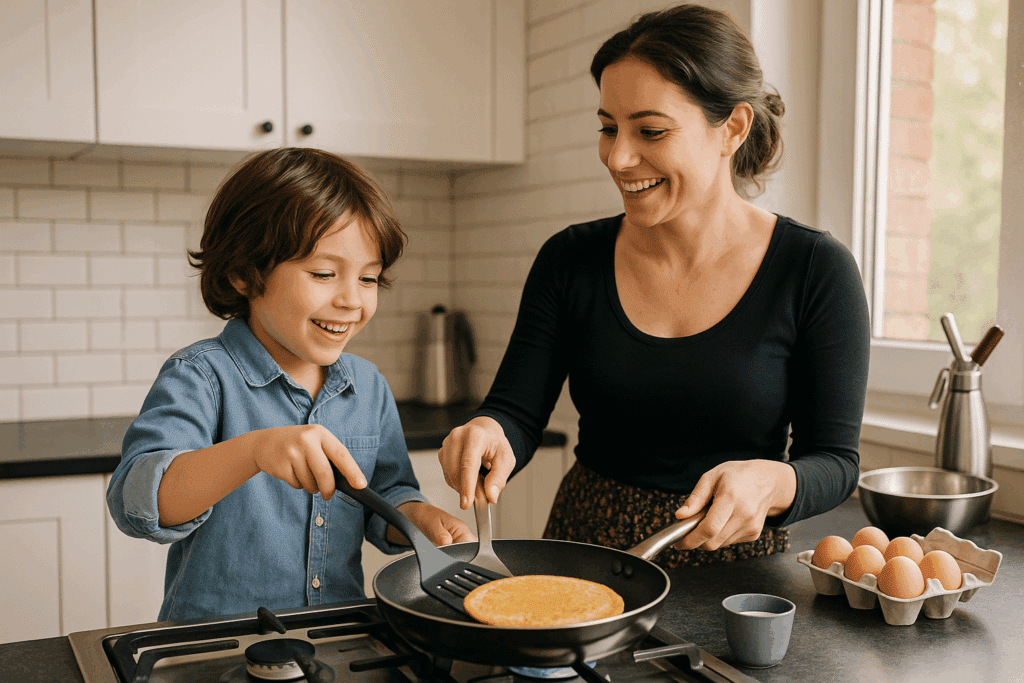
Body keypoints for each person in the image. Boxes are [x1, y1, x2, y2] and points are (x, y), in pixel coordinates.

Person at [438, 3, 870, 568]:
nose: (618, 157)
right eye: (608, 128)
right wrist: (488, 429)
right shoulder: (571, 259)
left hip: (734, 566)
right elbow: (516, 412)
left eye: (650, 131)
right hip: (584, 549)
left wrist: (774, 482)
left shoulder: (815, 269)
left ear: (733, 128)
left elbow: (835, 461)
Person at [107, 147, 473, 621]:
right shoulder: (200, 376)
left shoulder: (368, 386)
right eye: (324, 274)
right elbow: (139, 501)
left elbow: (386, 494)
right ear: (243, 273)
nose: (352, 300)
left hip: (336, 636)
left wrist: (418, 520)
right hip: (215, 647)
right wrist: (254, 451)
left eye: (369, 279)